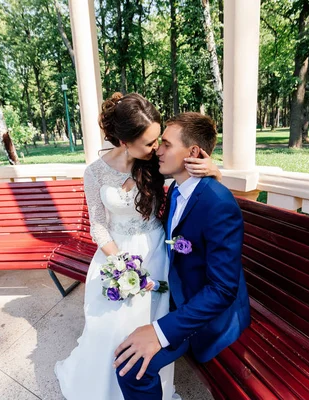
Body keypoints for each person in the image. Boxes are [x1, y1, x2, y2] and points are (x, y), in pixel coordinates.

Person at [55, 93, 221, 400]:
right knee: (108, 328)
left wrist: (214, 169)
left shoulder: (156, 164)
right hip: (114, 254)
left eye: (158, 139)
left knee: (147, 324)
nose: (157, 147)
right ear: (123, 141)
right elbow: (98, 224)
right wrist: (121, 263)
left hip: (155, 250)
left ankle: (148, 386)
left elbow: (193, 173)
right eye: (149, 142)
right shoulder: (95, 173)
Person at [112, 112, 250, 400]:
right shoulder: (177, 187)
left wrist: (160, 331)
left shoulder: (218, 204)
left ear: (194, 153)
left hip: (207, 312)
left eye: (166, 144)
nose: (158, 151)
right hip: (176, 290)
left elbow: (223, 290)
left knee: (132, 365)